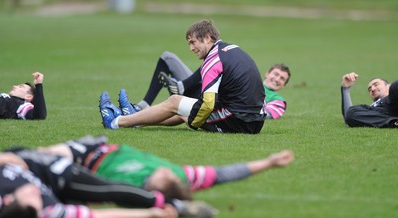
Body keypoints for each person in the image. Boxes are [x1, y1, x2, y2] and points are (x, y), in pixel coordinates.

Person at [99, 19, 266, 134]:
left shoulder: (213, 60)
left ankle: (116, 122)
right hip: (255, 120)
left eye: (193, 42)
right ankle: (133, 119)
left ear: (207, 38)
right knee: (182, 109)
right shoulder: (232, 49)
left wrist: (193, 121)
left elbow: (208, 103)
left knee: (176, 102)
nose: (191, 48)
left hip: (238, 120)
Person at [0, 147, 218, 218]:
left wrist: (5, 157)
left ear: (8, 199)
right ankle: (176, 206)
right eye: (36, 198)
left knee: (107, 188)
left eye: (28, 194)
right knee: (107, 191)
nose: (34, 191)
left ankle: (173, 203)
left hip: (37, 162)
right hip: (57, 177)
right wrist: (150, 214)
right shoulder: (49, 213)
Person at [36, 135, 294, 200]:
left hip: (79, 160)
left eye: (161, 176)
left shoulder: (129, 189)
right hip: (99, 145)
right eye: (167, 173)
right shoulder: (182, 176)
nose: (165, 170)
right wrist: (269, 163)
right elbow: (225, 173)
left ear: (152, 187)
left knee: (32, 158)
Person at [133, 51, 291, 120]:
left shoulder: (277, 100)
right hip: (203, 88)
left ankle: (180, 87)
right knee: (167, 57)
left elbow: (266, 115)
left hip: (211, 102)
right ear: (267, 73)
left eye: (282, 79)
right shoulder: (248, 79)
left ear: (283, 85)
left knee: (216, 62)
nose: (277, 79)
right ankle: (143, 106)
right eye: (276, 74)